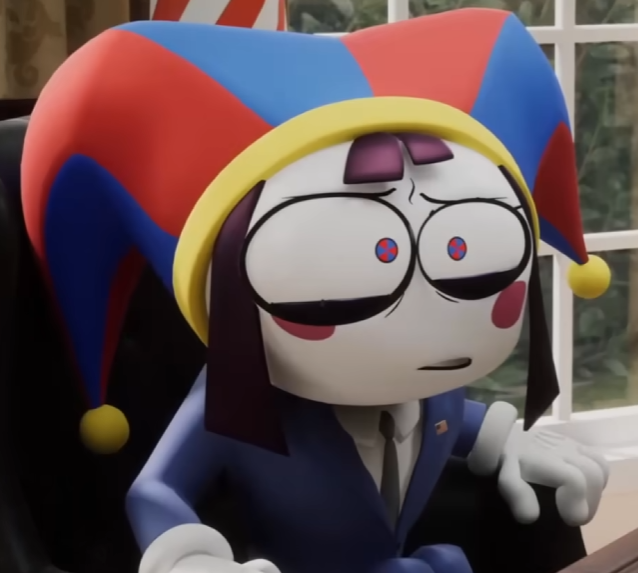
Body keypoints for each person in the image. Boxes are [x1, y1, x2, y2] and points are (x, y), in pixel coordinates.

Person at [20, 8, 611, 573]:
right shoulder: (234, 401)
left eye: (468, 257)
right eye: (370, 267)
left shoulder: (435, 388)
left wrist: (509, 444)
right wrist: (186, 554)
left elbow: (454, 421)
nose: (424, 313)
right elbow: (156, 489)